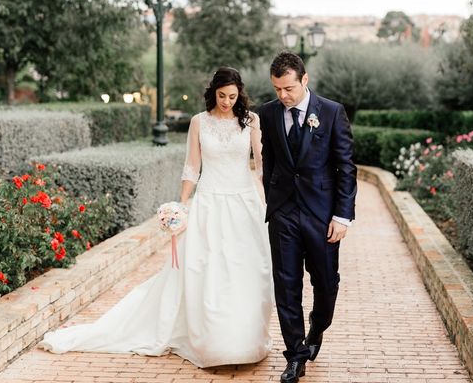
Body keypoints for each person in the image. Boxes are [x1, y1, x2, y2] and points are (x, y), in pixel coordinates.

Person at [40, 67, 273, 368]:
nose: (227, 101)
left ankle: (245, 340)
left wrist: (272, 201)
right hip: (209, 204)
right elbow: (192, 167)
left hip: (244, 203)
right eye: (221, 96)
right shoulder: (198, 122)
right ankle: (213, 342)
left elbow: (262, 165)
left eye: (232, 96)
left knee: (245, 270)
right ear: (212, 93)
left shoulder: (251, 121)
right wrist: (181, 206)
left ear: (239, 94)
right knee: (208, 270)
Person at [258, 51, 357, 383]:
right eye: (277, 89)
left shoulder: (331, 113)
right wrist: (274, 200)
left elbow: (346, 168)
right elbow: (269, 162)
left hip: (322, 215)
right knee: (286, 285)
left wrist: (342, 216)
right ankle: (295, 355)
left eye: (288, 88)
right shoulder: (268, 114)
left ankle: (318, 326)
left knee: (326, 283)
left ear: (305, 79)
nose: (283, 96)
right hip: (284, 213)